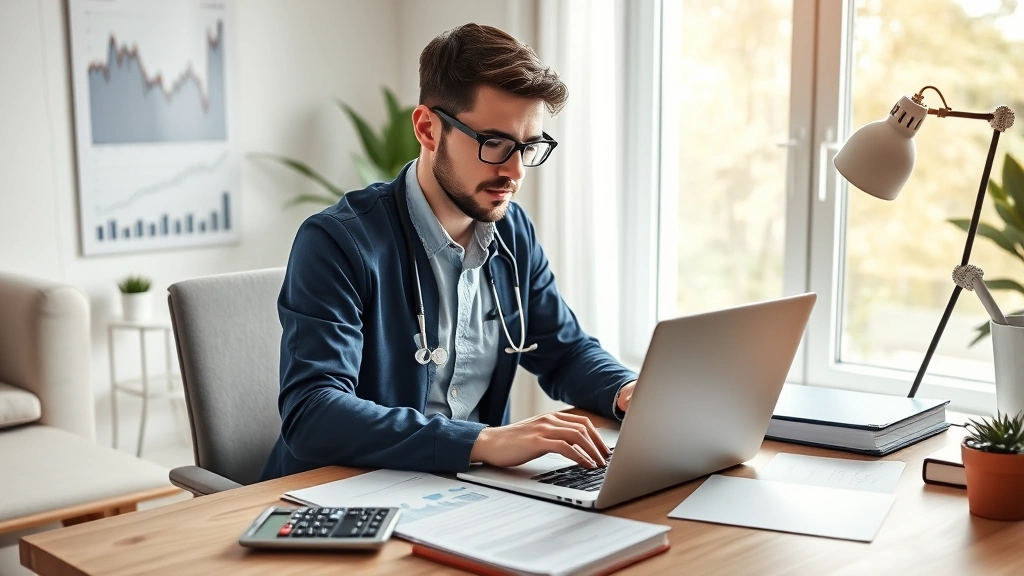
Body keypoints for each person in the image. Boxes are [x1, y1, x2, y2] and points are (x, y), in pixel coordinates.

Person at [260, 23, 637, 481]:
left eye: (529, 147)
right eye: (495, 144)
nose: (515, 171)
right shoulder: (338, 243)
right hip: (345, 494)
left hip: (467, 490)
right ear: (428, 129)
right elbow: (313, 412)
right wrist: (482, 442)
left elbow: (563, 349)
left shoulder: (512, 233)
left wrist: (627, 390)